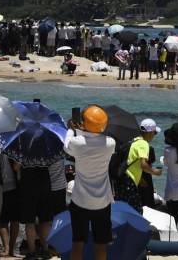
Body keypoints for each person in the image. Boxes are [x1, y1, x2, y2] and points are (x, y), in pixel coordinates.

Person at [64, 105, 116, 260]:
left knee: (78, 242)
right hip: (102, 202)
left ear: (84, 123)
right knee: (100, 244)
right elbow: (97, 137)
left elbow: (66, 145)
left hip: (80, 200)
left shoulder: (77, 142)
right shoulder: (110, 143)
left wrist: (72, 130)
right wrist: (84, 129)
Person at [116, 120, 162, 211]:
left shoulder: (134, 141)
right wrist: (155, 172)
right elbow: (143, 165)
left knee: (125, 209)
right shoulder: (144, 144)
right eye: (154, 133)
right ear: (150, 133)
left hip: (123, 180)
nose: (154, 135)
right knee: (137, 210)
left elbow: (131, 161)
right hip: (129, 182)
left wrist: (140, 179)